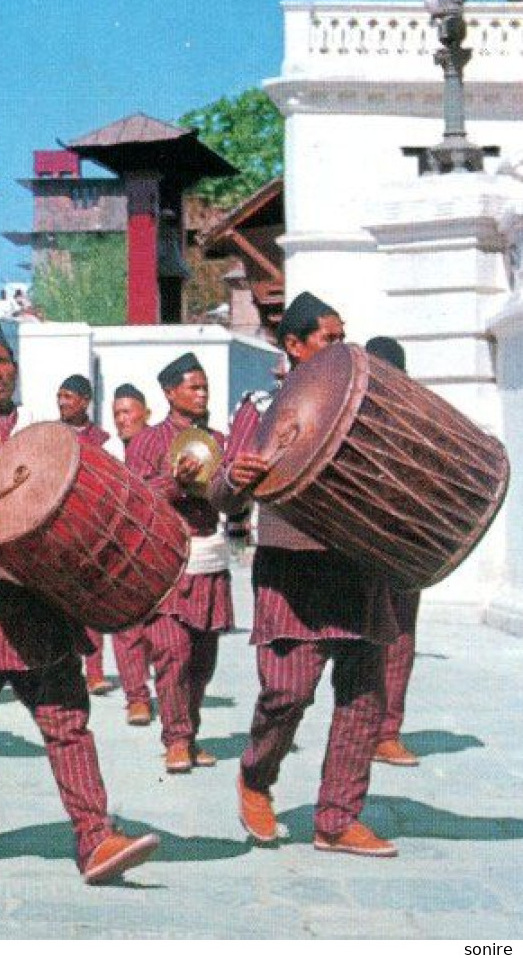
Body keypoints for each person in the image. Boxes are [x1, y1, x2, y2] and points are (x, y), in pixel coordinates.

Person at [0, 320, 158, 883]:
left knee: (68, 718)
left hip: (37, 602)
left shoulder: (39, 431)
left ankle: (95, 839)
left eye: (2, 361)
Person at [210, 292, 400, 858]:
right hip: (291, 570)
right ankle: (255, 775)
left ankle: (337, 819)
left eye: (344, 336)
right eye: (328, 338)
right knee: (286, 693)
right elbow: (220, 493)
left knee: (363, 695)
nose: (341, 347)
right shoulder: (260, 404)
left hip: (357, 563)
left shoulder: (367, 401)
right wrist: (236, 478)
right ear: (294, 346)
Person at [124, 353, 234, 772]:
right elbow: (133, 496)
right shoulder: (149, 441)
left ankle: (190, 733)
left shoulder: (217, 440)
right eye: (194, 387)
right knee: (172, 651)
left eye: (204, 387)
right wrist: (176, 483)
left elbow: (229, 497)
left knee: (203, 662)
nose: (202, 394)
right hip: (165, 560)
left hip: (208, 557)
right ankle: (175, 738)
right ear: (170, 393)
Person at [364, 335, 421, 768]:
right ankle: (361, 728)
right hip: (356, 547)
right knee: (358, 643)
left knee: (399, 636)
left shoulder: (418, 421)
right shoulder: (347, 415)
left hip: (402, 546)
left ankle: (387, 732)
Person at [57, 374, 115, 696]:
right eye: (60, 396)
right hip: (59, 528)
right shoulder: (51, 435)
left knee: (92, 603)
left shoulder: (104, 440)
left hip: (93, 529)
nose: (63, 402)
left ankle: (94, 673)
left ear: (85, 401)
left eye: (69, 396)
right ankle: (65, 668)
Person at [108, 383, 155, 725]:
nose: (122, 420)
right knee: (126, 627)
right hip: (122, 549)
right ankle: (136, 696)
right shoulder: (112, 452)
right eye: (117, 414)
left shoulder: (157, 445)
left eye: (128, 412)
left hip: (157, 548)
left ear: (146, 413)